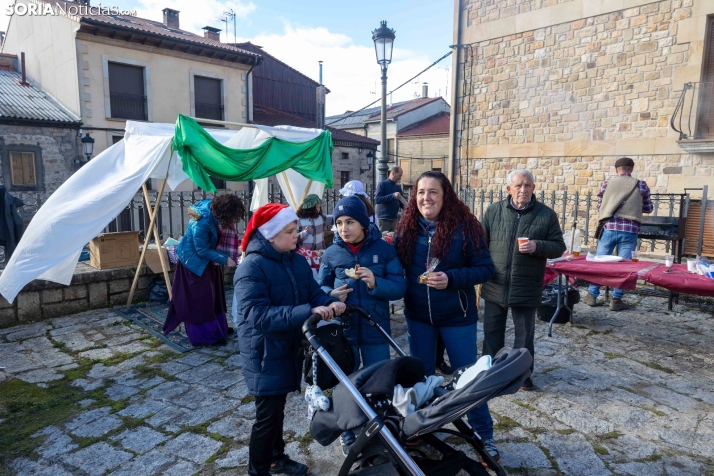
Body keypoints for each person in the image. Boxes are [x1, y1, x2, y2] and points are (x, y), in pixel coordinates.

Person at [393, 171, 499, 461]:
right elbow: (392, 264)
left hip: (457, 316)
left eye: (433, 192)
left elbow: (485, 268)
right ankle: (423, 429)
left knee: (469, 378)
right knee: (422, 378)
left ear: (445, 196)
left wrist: (451, 278)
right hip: (418, 316)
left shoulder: (465, 227)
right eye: (421, 192)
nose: (426, 197)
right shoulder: (407, 228)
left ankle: (484, 436)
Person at [234, 203, 346, 476]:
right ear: (270, 236)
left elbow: (312, 292)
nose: (297, 235)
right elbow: (255, 315)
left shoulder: (295, 260)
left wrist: (329, 302)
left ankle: (275, 458)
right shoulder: (251, 267)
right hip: (264, 352)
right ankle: (258, 470)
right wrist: (308, 311)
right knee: (267, 416)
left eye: (296, 229)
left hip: (288, 346)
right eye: (290, 231)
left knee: (277, 409)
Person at [317, 195, 406, 456]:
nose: (344, 228)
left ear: (364, 224)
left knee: (379, 380)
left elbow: (400, 287)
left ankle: (378, 428)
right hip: (342, 331)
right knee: (344, 383)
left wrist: (375, 284)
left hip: (375, 328)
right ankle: (347, 433)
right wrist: (330, 296)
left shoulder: (384, 250)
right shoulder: (331, 253)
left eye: (350, 222)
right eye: (340, 223)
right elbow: (319, 288)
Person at [481, 170, 566, 392]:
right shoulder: (493, 211)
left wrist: (537, 246)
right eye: (518, 185)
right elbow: (481, 242)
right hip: (495, 284)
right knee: (491, 333)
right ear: (508, 189)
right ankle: (488, 376)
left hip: (526, 286)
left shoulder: (546, 215)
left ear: (534, 188)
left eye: (528, 185)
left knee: (524, 338)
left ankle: (522, 378)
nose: (523, 190)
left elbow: (559, 246)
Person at [163, 194, 243, 346]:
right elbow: (201, 250)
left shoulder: (214, 212)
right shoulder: (201, 222)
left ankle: (219, 328)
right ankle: (206, 337)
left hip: (207, 262)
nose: (233, 220)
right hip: (193, 263)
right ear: (224, 212)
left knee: (215, 297)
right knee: (201, 300)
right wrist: (225, 259)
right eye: (232, 216)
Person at [584, 157, 653, 311]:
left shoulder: (607, 184)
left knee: (600, 263)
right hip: (630, 230)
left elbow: (600, 206)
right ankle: (616, 299)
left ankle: (592, 295)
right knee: (623, 266)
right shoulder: (640, 184)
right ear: (632, 169)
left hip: (608, 228)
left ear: (617, 169)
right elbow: (648, 208)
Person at [375, 166, 405, 232]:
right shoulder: (382, 184)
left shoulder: (398, 187)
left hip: (394, 219)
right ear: (393, 173)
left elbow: (402, 204)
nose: (400, 178)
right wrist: (393, 196)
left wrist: (410, 208)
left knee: (393, 240)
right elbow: (377, 199)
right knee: (383, 239)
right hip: (384, 219)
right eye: (399, 175)